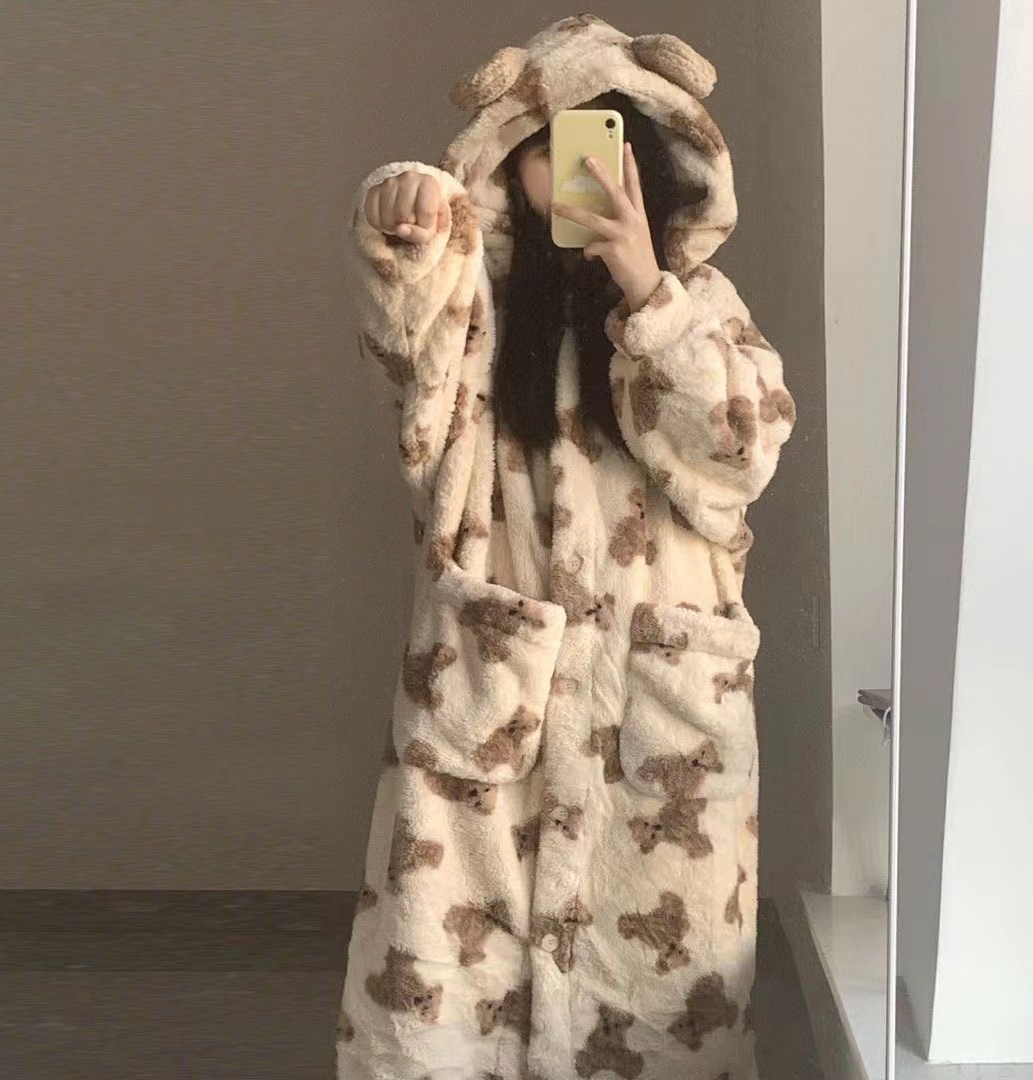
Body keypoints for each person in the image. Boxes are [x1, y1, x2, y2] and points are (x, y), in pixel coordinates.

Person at [336, 13, 796, 1080]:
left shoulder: (706, 307)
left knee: (656, 1009)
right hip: (493, 712)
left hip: (658, 720)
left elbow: (740, 453)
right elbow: (413, 344)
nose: (580, 177)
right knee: (450, 1003)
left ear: (658, 163)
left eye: (608, 145)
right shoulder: (485, 314)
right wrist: (406, 216)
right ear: (508, 167)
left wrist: (646, 289)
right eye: (550, 151)